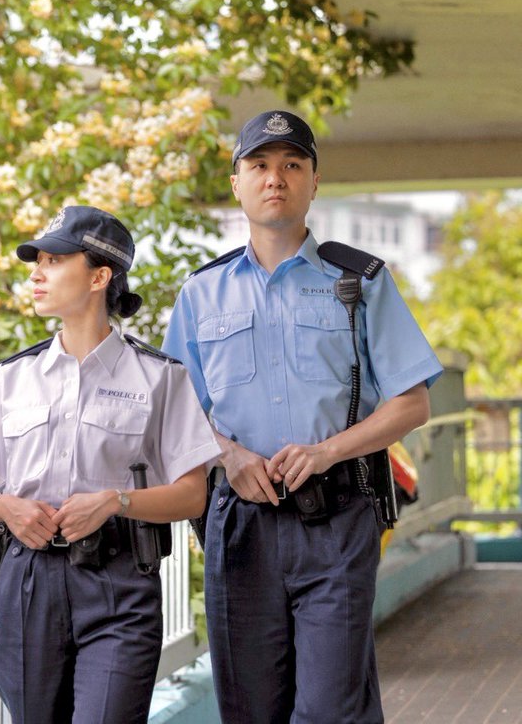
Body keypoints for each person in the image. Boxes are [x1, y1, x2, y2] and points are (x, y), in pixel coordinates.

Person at [162, 110, 443, 724]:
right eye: (258, 165)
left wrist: (327, 451)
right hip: (239, 522)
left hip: (337, 513)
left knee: (331, 708)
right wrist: (229, 456)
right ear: (236, 183)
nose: (275, 178)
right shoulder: (200, 293)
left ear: (314, 182)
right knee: (251, 707)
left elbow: (412, 402)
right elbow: (174, 414)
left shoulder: (359, 280)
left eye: (293, 165)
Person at [0, 205, 220, 724]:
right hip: (28, 581)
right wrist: (9, 508)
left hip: (119, 581)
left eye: (54, 260)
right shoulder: (11, 379)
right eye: (37, 261)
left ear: (100, 276)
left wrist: (115, 502)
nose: (36, 273)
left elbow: (192, 495)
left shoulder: (160, 378)